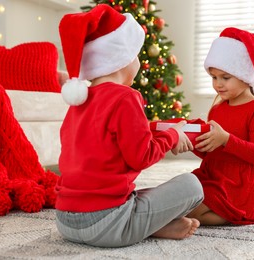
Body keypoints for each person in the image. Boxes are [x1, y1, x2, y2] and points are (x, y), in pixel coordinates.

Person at [54, 5, 204, 248]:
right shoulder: (126, 97)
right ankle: (145, 226)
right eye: (136, 55)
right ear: (121, 59)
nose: (138, 62)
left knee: (138, 194)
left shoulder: (78, 103)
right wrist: (171, 138)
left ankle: (152, 224)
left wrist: (164, 130)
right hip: (105, 224)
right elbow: (141, 157)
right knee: (192, 185)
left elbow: (111, 136)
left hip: (65, 222)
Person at [187, 27, 254, 225]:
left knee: (194, 213)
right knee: (181, 199)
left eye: (225, 77)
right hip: (215, 174)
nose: (218, 84)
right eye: (214, 77)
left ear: (245, 76)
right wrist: (194, 143)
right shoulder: (217, 108)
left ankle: (238, 213)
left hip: (240, 183)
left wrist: (226, 139)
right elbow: (212, 153)